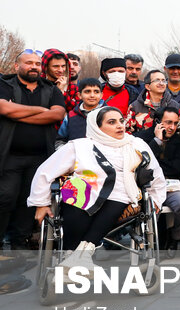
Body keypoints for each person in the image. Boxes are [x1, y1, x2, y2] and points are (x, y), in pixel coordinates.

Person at [29, 106, 166, 276]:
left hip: (122, 196)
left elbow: (157, 175)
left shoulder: (136, 144)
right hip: (84, 192)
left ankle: (79, 258)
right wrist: (40, 203)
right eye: (112, 122)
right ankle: (72, 257)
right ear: (97, 127)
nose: (120, 125)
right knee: (77, 191)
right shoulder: (79, 146)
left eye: (121, 121)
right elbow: (46, 171)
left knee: (119, 193)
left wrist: (156, 201)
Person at [0, 50, 67, 250]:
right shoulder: (5, 84)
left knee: (28, 202)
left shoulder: (50, 88)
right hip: (9, 157)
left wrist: (16, 112)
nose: (34, 67)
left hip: (40, 158)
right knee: (5, 198)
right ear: (16, 66)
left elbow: (58, 114)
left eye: (37, 64)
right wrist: (41, 110)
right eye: (29, 63)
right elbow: (4, 109)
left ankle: (19, 245)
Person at [136, 106, 180, 255]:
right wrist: (156, 142)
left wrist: (158, 167)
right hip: (148, 187)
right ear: (157, 122)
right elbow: (142, 165)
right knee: (148, 209)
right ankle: (148, 243)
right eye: (168, 122)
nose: (172, 127)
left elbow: (176, 168)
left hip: (172, 186)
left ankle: (174, 237)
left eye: (175, 123)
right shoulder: (142, 138)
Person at [125, 69, 178, 134]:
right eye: (157, 80)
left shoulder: (175, 106)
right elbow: (128, 133)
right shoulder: (135, 107)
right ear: (148, 86)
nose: (161, 83)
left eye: (163, 81)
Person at [57, 77, 104, 144]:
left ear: (101, 95)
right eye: (87, 91)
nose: (92, 95)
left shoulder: (110, 114)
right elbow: (60, 141)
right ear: (79, 95)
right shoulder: (71, 116)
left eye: (96, 92)